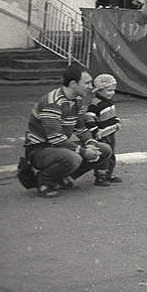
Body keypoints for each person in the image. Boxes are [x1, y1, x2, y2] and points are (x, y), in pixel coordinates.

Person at [23, 63, 115, 198]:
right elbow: (56, 139)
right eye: (87, 83)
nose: (91, 87)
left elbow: (81, 128)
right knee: (74, 157)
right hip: (39, 150)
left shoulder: (77, 100)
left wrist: (90, 143)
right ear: (73, 84)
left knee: (105, 149)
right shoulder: (53, 103)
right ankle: (44, 182)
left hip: (56, 147)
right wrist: (84, 151)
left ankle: (63, 177)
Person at [85, 74, 123, 183]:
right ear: (99, 90)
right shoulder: (95, 104)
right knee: (103, 155)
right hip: (101, 134)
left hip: (111, 132)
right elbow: (89, 119)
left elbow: (112, 115)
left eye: (113, 90)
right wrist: (95, 131)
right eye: (109, 90)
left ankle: (109, 173)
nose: (112, 93)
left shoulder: (109, 102)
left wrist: (116, 121)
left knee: (111, 154)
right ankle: (100, 176)